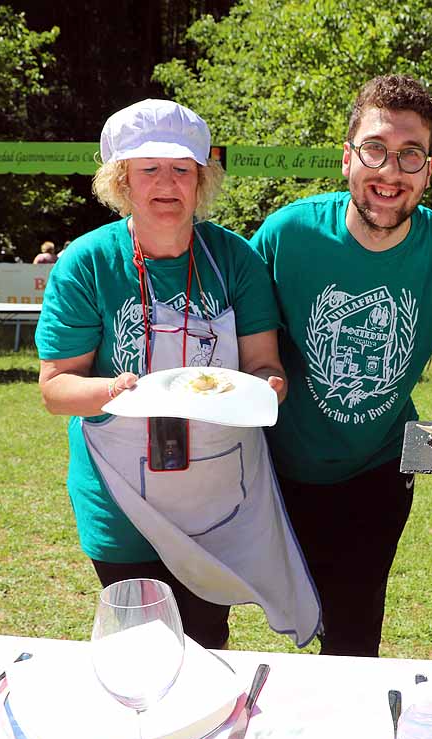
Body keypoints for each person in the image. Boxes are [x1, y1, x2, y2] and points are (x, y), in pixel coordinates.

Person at [36, 99, 320, 650]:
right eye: (149, 169)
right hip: (120, 498)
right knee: (140, 651)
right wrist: (113, 390)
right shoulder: (87, 262)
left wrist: (269, 389)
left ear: (201, 179)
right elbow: (55, 389)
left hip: (215, 492)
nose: (166, 183)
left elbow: (264, 364)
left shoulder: (234, 259)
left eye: (181, 169)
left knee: (209, 639)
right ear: (122, 179)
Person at [251, 75, 432, 657]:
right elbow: (238, 336)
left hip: (379, 471)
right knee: (263, 613)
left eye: (411, 155)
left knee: (354, 632)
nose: (391, 171)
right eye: (376, 150)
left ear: (429, 169)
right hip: (275, 469)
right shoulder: (287, 234)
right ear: (347, 159)